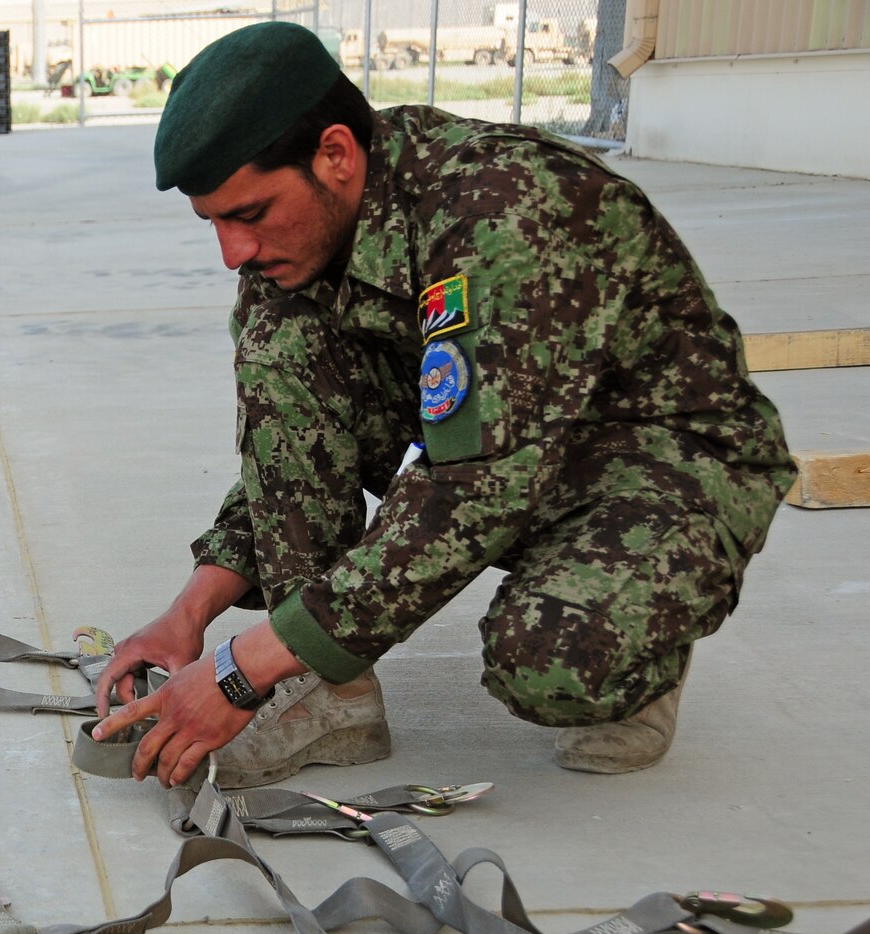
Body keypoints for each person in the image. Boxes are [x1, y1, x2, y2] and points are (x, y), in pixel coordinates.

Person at [90, 22, 793, 790]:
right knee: (281, 338)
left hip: (660, 465)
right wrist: (191, 612)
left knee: (552, 659)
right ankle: (330, 692)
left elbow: (469, 490)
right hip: (503, 447)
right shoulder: (306, 243)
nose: (233, 252)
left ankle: (643, 645)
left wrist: (240, 669)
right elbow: (293, 449)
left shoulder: (501, 211)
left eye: (249, 214)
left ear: (335, 155)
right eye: (214, 223)